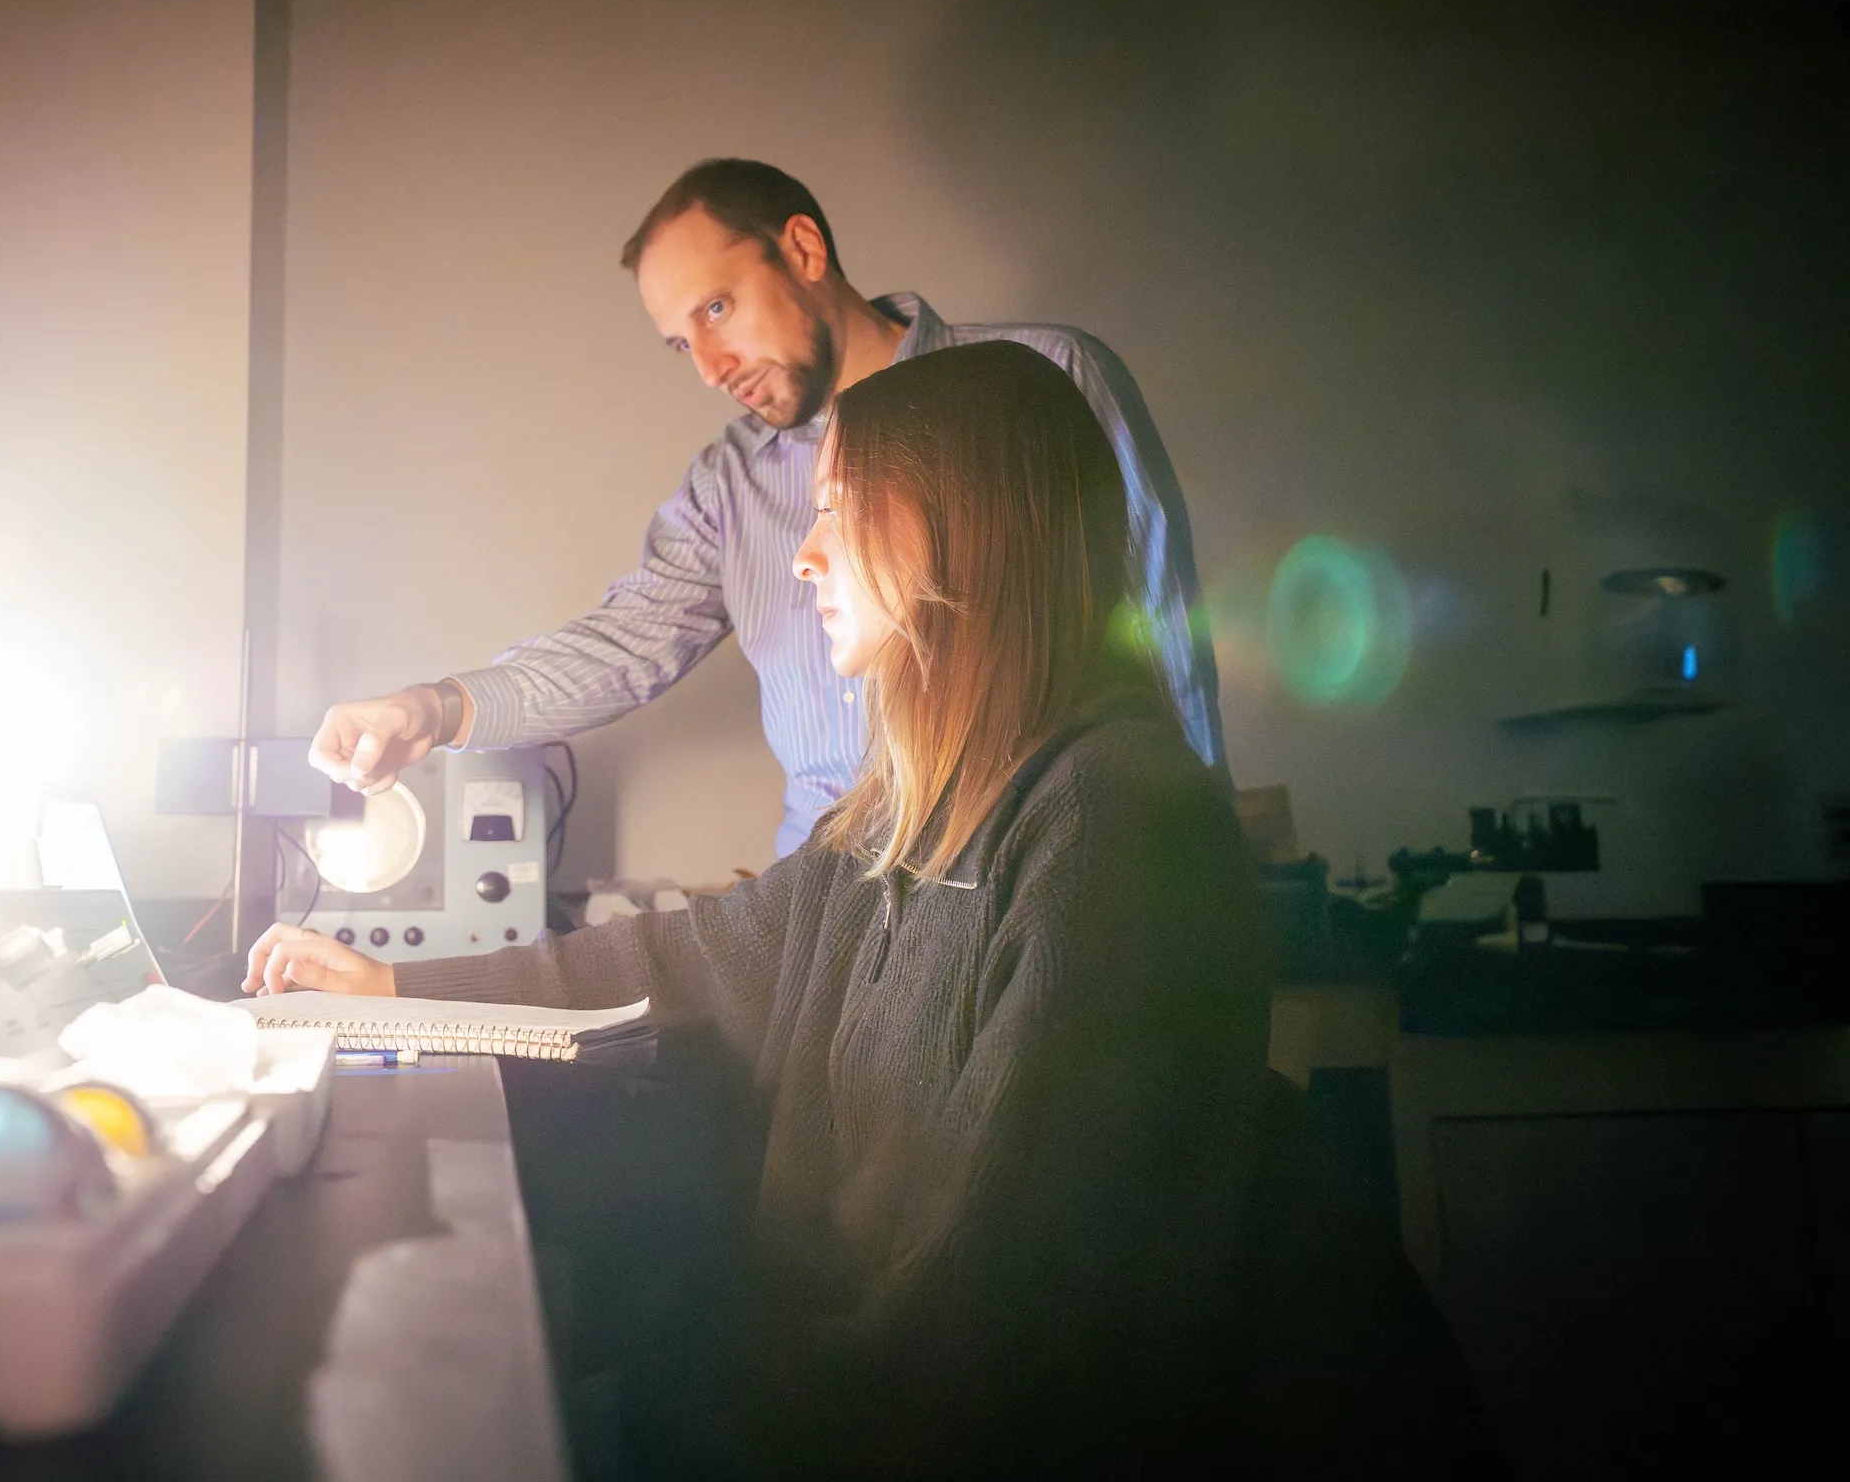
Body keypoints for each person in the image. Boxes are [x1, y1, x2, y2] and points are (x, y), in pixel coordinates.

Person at [248, 343, 1331, 1475]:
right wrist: (395, 991)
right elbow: (696, 955)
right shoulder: (896, 819)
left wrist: (703, 1418)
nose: (805, 556)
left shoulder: (1114, 823)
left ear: (967, 523)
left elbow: (997, 1346)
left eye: (839, 509)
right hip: (815, 1402)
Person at [304, 158, 1224, 856]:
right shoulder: (727, 486)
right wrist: (431, 710)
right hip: (819, 912)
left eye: (715, 309)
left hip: (1025, 879)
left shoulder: (1045, 379)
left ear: (805, 250)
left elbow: (1156, 630)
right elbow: (624, 644)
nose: (709, 367)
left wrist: (1191, 868)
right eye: (679, 344)